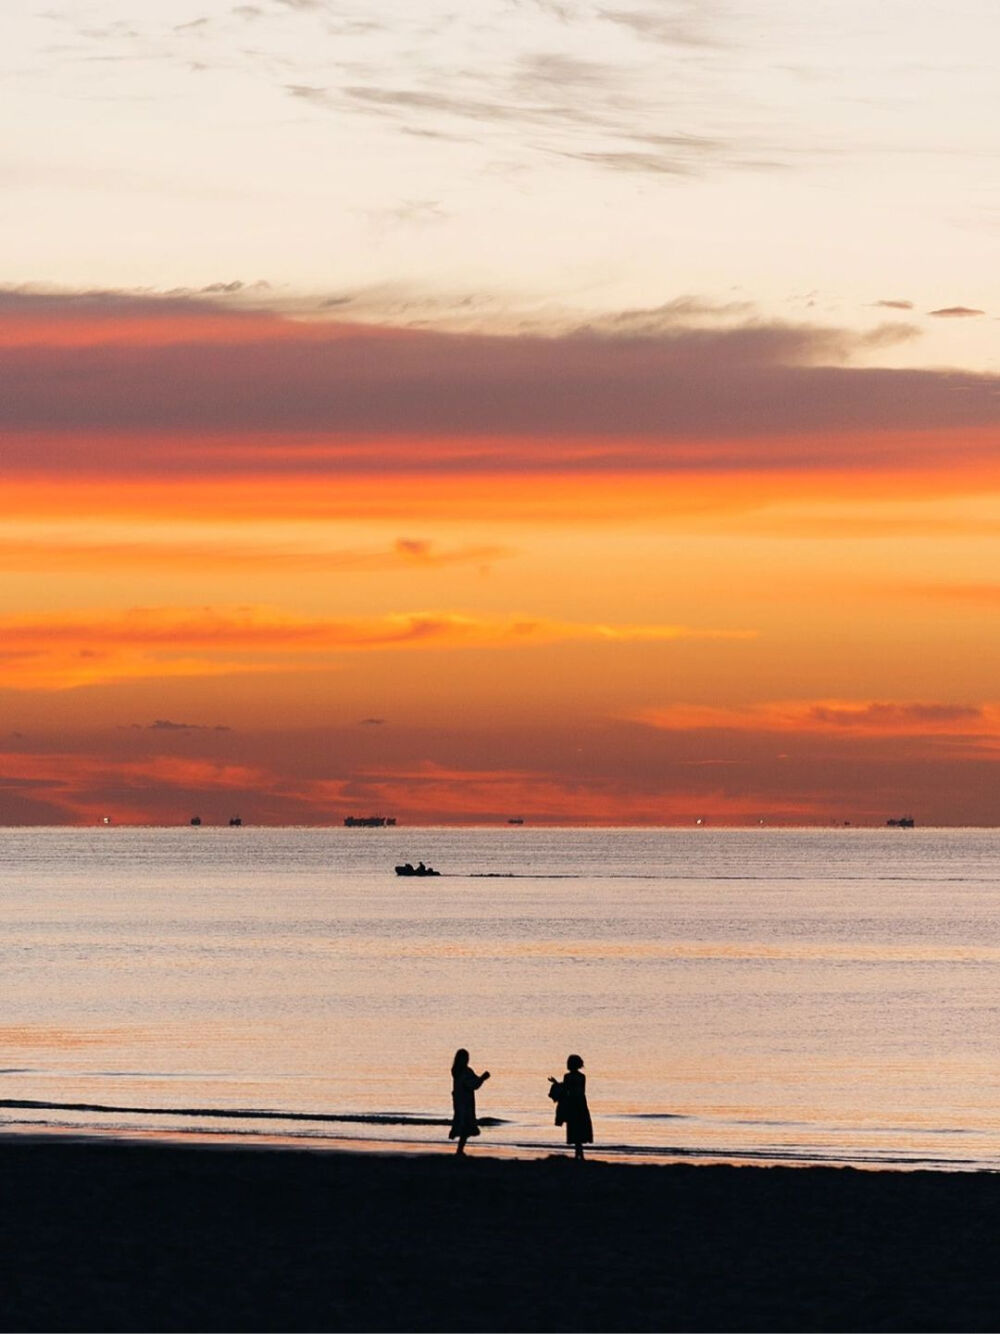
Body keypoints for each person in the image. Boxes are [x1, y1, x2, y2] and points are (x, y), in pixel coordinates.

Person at [548, 1054, 593, 1161]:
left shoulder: (567, 1076)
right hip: (581, 1103)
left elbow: (566, 1089)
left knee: (574, 1129)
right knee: (580, 1129)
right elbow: (580, 1091)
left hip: (572, 1104)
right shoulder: (582, 1077)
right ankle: (580, 1154)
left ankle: (578, 1154)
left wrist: (556, 1084)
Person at [449, 1048, 491, 1154]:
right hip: (465, 1102)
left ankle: (460, 1149)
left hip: (460, 1101)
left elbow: (473, 1083)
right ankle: (459, 1150)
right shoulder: (464, 1072)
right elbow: (473, 1084)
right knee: (466, 1126)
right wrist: (483, 1078)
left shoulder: (457, 1071)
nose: (467, 1060)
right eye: (465, 1058)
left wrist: (481, 1079)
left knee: (463, 1125)